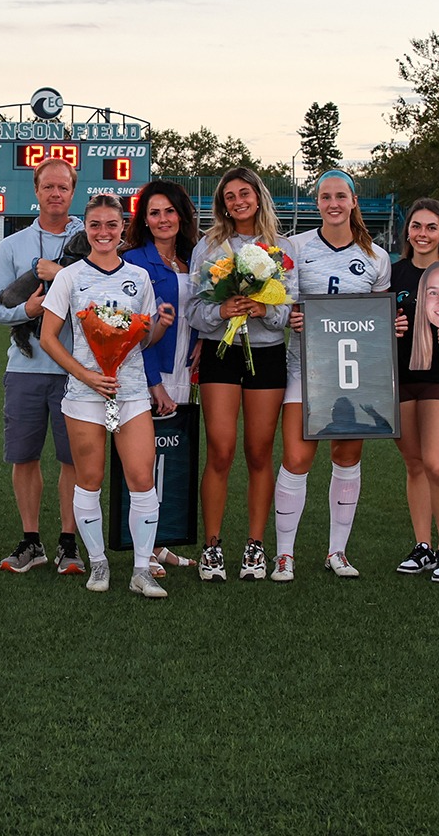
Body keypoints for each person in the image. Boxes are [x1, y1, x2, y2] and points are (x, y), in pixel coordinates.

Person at [38, 194, 176, 599]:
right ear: (86, 229)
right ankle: (98, 564)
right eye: (95, 225)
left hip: (131, 392)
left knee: (140, 478)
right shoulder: (69, 276)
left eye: (111, 225)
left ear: (122, 228)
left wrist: (162, 326)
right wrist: (86, 375)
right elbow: (48, 337)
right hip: (85, 393)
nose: (103, 233)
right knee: (90, 479)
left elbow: (143, 338)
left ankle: (140, 570)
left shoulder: (139, 276)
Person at [275, 171, 390, 581]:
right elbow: (278, 305)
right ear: (317, 203)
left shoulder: (377, 257)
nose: (333, 203)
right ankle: (284, 555)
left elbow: (378, 319)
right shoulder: (295, 247)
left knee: (346, 456)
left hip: (352, 373)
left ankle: (336, 552)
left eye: (341, 195)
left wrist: (389, 325)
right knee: (297, 457)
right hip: (304, 367)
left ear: (354, 200)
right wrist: (293, 315)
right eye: (325, 197)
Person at [187, 166, 297, 581]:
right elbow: (194, 311)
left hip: (266, 356)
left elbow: (287, 311)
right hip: (221, 354)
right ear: (223, 204)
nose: (238, 201)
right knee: (220, 449)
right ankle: (212, 546)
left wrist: (263, 310)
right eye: (229, 196)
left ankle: (255, 546)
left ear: (258, 196)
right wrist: (223, 310)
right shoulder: (209, 247)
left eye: (244, 193)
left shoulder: (282, 247)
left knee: (258, 451)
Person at [0, 158, 85, 574]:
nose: (56, 194)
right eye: (48, 187)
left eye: (63, 187)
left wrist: (60, 274)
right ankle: (31, 541)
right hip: (25, 367)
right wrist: (26, 309)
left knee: (72, 460)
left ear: (72, 192)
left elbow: (103, 300)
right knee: (24, 457)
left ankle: (68, 542)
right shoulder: (13, 246)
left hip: (75, 369)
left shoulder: (92, 238)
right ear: (37, 191)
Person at [388, 200, 439, 583]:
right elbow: (376, 329)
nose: (422, 233)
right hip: (401, 378)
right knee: (415, 464)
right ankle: (422, 546)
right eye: (416, 226)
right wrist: (391, 330)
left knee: (438, 464)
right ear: (408, 232)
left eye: (431, 227)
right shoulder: (393, 274)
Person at [122, 179, 201, 577]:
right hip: (150, 373)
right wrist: (153, 382)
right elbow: (135, 331)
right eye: (154, 212)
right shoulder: (134, 261)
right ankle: (145, 551)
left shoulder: (196, 258)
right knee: (145, 463)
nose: (163, 218)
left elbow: (201, 310)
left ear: (181, 215)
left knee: (170, 457)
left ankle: (161, 543)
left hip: (186, 369)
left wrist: (202, 342)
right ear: (144, 219)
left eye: (169, 210)